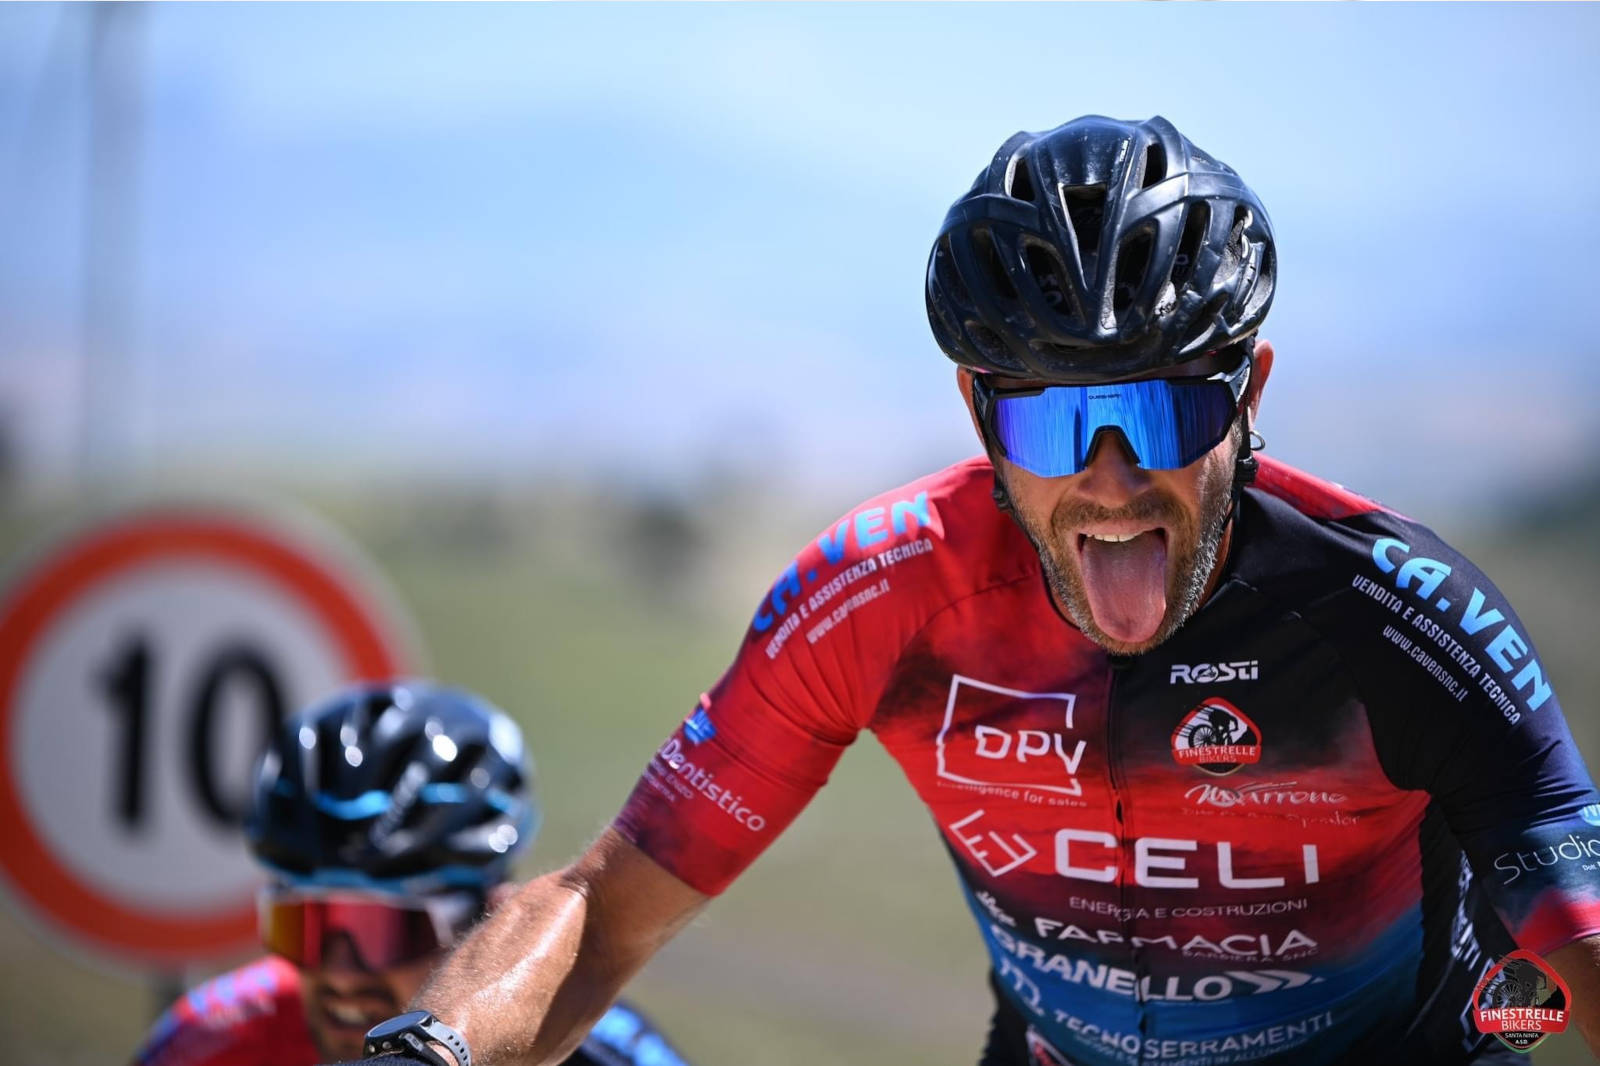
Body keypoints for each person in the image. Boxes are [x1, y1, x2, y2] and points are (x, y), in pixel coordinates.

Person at [345, 116, 1600, 1066]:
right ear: (976, 413)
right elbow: (600, 909)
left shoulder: (1402, 615)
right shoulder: (879, 595)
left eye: (1165, 412)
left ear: (1249, 391)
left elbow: (1580, 934)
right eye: (1051, 422)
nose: (1111, 480)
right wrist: (431, 1050)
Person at [131, 681, 691, 1066]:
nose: (342, 975)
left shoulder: (598, 1053)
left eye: (386, 932)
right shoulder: (211, 1041)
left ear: (492, 921)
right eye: (304, 926)